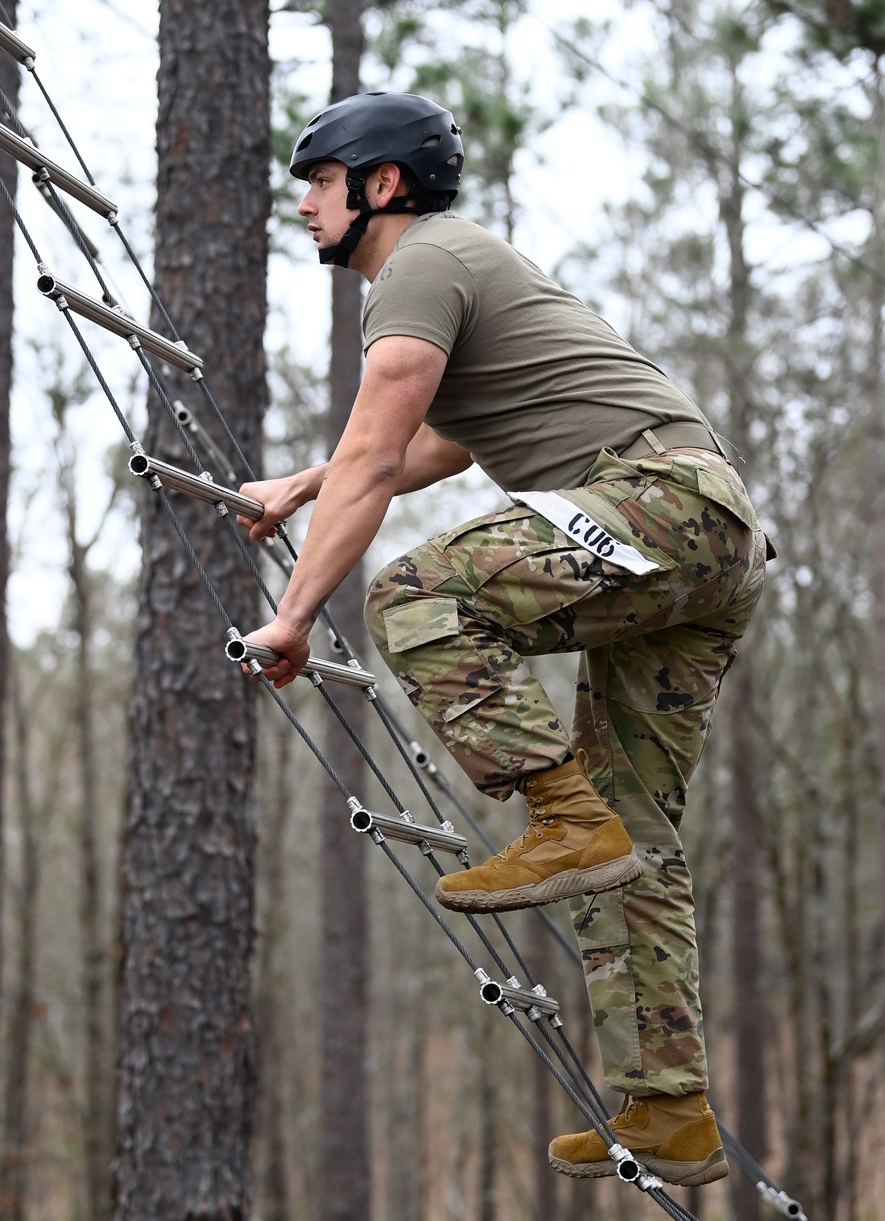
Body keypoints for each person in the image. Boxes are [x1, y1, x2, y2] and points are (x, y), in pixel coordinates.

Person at [237, 91, 769, 1188]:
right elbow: (438, 439)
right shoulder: (460, 269)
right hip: (704, 537)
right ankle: (668, 1107)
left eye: (318, 183)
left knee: (416, 598)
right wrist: (305, 479)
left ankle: (556, 816)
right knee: (634, 833)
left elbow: (382, 459)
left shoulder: (421, 262)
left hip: (657, 504)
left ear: (380, 186)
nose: (302, 206)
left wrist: (292, 617)